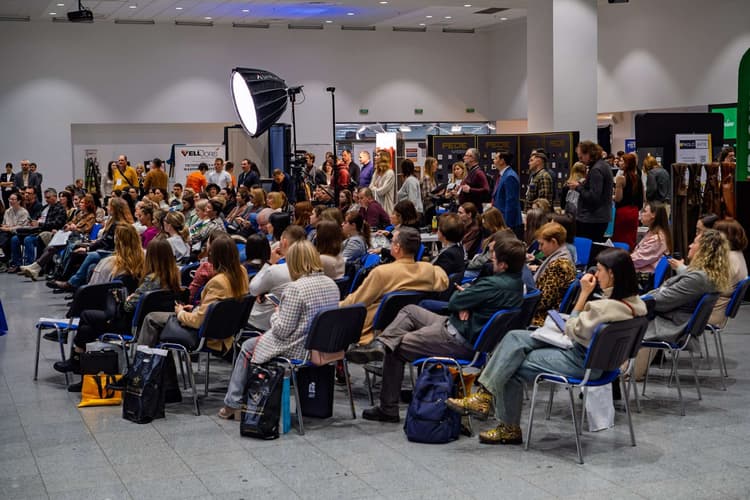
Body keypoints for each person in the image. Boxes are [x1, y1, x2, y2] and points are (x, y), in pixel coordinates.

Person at [447, 248, 646, 444]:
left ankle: (507, 427)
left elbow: (572, 329)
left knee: (511, 364)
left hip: (581, 361)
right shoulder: (636, 305)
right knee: (514, 337)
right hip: (604, 364)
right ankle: (484, 397)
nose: (596, 274)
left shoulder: (602, 308)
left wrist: (584, 295)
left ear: (612, 274)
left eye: (600, 270)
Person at [353, 237, 526, 422]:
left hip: (456, 339)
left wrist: (465, 300)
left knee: (395, 346)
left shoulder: (492, 285)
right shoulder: (518, 285)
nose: (491, 259)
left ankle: (388, 409)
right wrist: (468, 303)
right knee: (410, 311)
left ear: (504, 264)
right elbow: (463, 303)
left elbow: (454, 301)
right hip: (460, 328)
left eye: (494, 258)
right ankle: (380, 344)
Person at [218, 240, 340, 419]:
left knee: (247, 347)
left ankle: (233, 403)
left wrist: (276, 312)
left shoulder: (295, 288)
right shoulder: (332, 284)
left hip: (298, 348)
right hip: (321, 346)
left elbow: (282, 330)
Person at [52, 227, 168, 390]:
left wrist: (129, 299)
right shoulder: (171, 277)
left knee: (86, 317)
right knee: (87, 328)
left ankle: (78, 362)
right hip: (143, 324)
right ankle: (79, 365)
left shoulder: (116, 266)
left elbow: (111, 298)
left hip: (130, 322)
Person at [635, 229, 731, 377]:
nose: (690, 246)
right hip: (675, 318)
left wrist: (637, 300)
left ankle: (620, 369)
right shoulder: (706, 274)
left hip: (673, 324)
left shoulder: (698, 278)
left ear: (705, 250)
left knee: (621, 319)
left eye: (694, 243)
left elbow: (662, 301)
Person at [139, 233, 248, 353]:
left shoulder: (218, 281)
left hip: (208, 336)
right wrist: (197, 308)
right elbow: (220, 307)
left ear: (214, 255)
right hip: (227, 331)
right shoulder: (242, 272)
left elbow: (197, 322)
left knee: (151, 318)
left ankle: (143, 359)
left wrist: (180, 312)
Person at [340, 226, 449, 344]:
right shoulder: (429, 270)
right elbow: (444, 282)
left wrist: (335, 305)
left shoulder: (382, 272)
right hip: (408, 328)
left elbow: (357, 301)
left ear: (397, 247)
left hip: (372, 329)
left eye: (392, 242)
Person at [20, 195, 97, 280]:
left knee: (52, 247)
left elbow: (86, 229)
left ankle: (36, 267)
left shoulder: (91, 216)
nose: (80, 204)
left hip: (79, 238)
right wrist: (68, 226)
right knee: (50, 247)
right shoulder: (79, 214)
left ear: (88, 204)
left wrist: (75, 228)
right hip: (70, 235)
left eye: (82, 202)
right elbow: (70, 222)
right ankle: (36, 268)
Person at [248, 225, 307, 331]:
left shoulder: (275, 270)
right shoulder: (312, 269)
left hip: (264, 323)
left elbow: (253, 289)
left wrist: (269, 263)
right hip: (298, 323)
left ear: (284, 242)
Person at [529, 222, 577, 326]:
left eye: (542, 244)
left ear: (553, 242)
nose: (539, 248)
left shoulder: (559, 265)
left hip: (542, 317)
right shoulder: (563, 256)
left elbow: (543, 302)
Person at [568, 141, 614, 242]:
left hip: (592, 219)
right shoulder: (603, 165)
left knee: (588, 248)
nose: (580, 160)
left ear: (589, 154)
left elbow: (593, 197)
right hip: (600, 217)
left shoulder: (596, 170)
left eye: (581, 157)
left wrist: (578, 187)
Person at [710, 220, 748, 326]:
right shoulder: (737, 255)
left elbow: (712, 286)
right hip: (715, 309)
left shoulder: (728, 259)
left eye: (716, 233)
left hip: (710, 312)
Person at [612, 153, 643, 251]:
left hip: (622, 211)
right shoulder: (638, 178)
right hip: (634, 211)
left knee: (620, 237)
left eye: (622, 161)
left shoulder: (620, 179)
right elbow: (642, 196)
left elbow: (618, 198)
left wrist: (611, 196)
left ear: (627, 163)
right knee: (631, 238)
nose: (619, 162)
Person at [631, 202, 671, 272]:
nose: (641, 214)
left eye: (644, 211)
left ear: (653, 215)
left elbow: (636, 260)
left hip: (642, 273)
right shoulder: (653, 232)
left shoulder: (656, 239)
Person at [491, 151, 522, 236]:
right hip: (500, 220)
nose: (493, 160)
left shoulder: (510, 176)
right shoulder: (503, 175)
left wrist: (506, 225)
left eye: (496, 158)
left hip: (508, 223)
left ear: (502, 161)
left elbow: (511, 203)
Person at [0, 192, 30, 272]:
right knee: (4, 236)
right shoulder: (8, 211)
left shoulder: (24, 212)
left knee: (11, 239)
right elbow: (4, 224)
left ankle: (13, 263)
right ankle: (5, 260)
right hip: (7, 232)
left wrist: (9, 228)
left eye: (13, 199)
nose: (11, 201)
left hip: (20, 233)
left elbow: (21, 227)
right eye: (10, 199)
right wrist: (6, 227)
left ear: (19, 201)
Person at [431, 212, 466, 277]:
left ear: (443, 234)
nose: (437, 232)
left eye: (438, 229)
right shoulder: (457, 248)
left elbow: (438, 276)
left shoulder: (447, 255)